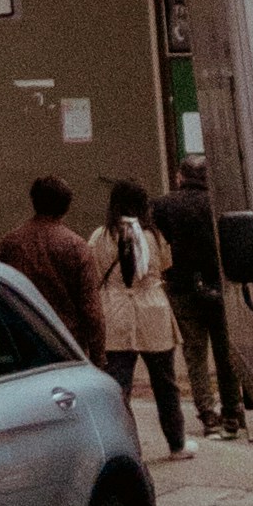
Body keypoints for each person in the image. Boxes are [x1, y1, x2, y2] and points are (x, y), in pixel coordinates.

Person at [89, 182, 187, 457]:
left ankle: (126, 448)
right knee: (165, 383)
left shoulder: (100, 236)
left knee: (119, 387)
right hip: (153, 312)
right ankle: (176, 443)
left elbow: (94, 270)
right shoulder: (153, 236)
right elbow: (166, 263)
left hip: (115, 313)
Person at [153, 176, 243, 440]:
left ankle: (207, 412)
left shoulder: (163, 205)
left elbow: (159, 239)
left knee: (195, 352)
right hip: (219, 286)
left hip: (182, 286)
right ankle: (231, 410)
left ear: (180, 177)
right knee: (225, 351)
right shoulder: (219, 202)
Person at [0, 174, 105, 357]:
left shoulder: (11, 243)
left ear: (34, 202)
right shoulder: (75, 246)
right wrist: (98, 354)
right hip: (66, 342)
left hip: (22, 340)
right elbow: (90, 307)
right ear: (66, 206)